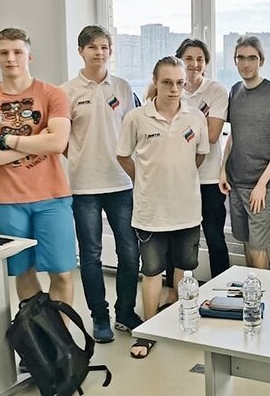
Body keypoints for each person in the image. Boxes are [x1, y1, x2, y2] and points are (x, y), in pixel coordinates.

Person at [0, 28, 76, 314]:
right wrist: (38, 143)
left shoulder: (53, 94)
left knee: (62, 273)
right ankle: (38, 333)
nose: (11, 58)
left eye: (18, 52)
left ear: (30, 55)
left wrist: (3, 141)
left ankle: (60, 337)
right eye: (4, 53)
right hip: (7, 200)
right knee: (23, 271)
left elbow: (58, 143)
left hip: (52, 197)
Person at [117, 56, 209, 358]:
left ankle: (179, 324)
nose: (174, 89)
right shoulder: (136, 118)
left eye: (180, 83)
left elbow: (199, 155)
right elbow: (123, 155)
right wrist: (143, 178)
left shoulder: (195, 117)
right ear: (155, 82)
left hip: (186, 209)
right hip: (150, 211)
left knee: (184, 268)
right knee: (152, 271)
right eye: (167, 82)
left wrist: (179, 176)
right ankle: (148, 331)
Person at [61, 25, 143, 343]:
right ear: (81, 51)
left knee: (129, 252)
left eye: (104, 47)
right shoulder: (66, 92)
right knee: (91, 255)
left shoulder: (122, 87)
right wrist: (80, 158)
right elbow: (63, 140)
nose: (99, 52)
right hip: (84, 186)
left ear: (111, 51)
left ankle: (125, 313)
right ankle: (99, 317)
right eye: (93, 47)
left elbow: (135, 132)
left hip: (121, 183)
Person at [219, 36, 270, 269]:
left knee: (258, 246)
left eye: (252, 58)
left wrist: (262, 184)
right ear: (235, 61)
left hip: (263, 184)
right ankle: (252, 287)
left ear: (261, 60)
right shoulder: (234, 91)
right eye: (241, 58)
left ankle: (261, 292)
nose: (246, 63)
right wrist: (223, 170)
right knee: (246, 242)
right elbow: (233, 135)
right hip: (236, 181)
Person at [175, 38, 230, 278]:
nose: (194, 64)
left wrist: (180, 129)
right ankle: (176, 291)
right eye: (188, 58)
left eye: (200, 59)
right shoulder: (172, 89)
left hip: (209, 178)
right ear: (179, 60)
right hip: (178, 179)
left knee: (215, 238)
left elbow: (214, 135)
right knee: (179, 239)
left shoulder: (216, 90)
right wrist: (199, 125)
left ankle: (223, 288)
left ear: (206, 63)